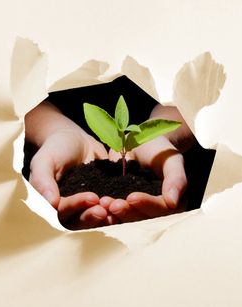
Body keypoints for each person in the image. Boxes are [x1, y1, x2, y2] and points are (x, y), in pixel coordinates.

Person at [22, 76, 214, 230]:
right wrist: (52, 129)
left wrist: (167, 135)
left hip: (195, 170)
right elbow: (12, 87)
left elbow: (201, 81)